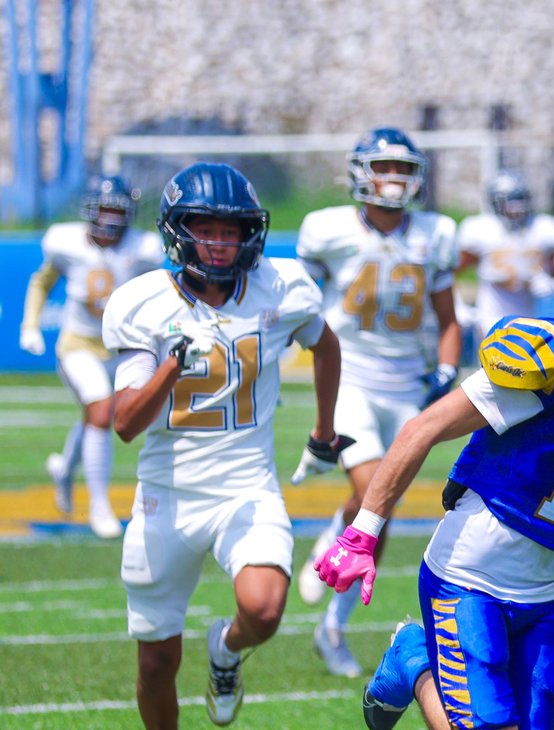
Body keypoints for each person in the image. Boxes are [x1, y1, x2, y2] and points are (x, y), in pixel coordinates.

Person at [314, 200, 554, 730]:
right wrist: (363, 531)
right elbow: (423, 428)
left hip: (546, 594)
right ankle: (414, 658)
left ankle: (414, 660)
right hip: (469, 575)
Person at [101, 162, 348, 729]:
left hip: (246, 485)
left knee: (263, 609)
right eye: (205, 228)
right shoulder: (143, 303)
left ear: (250, 234)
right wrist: (172, 364)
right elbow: (125, 422)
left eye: (230, 230)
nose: (217, 242)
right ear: (177, 229)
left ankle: (226, 651)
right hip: (167, 495)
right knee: (158, 660)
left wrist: (324, 429)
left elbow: (325, 346)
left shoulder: (282, 287)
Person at [292, 126, 463, 678]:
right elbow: (299, 300)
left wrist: (445, 365)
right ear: (361, 172)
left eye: (403, 170)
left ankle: (331, 615)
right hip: (351, 378)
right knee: (374, 495)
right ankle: (335, 612)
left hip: (407, 387)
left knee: (375, 506)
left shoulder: (436, 233)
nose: (393, 180)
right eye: (383, 168)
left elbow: (448, 317)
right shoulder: (327, 229)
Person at [19, 174, 164, 538]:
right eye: (105, 210)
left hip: (120, 346)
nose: (111, 218)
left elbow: (164, 288)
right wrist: (30, 326)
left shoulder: (143, 249)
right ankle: (99, 506)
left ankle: (66, 468)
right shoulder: (66, 242)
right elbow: (42, 281)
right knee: (101, 410)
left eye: (117, 210)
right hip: (78, 345)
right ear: (90, 210)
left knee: (99, 414)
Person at [456, 170, 554, 341]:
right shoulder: (481, 230)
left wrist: (551, 284)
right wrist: (458, 304)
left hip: (534, 317)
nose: (516, 208)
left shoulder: (543, 228)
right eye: (510, 202)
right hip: (491, 318)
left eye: (519, 200)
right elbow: (452, 272)